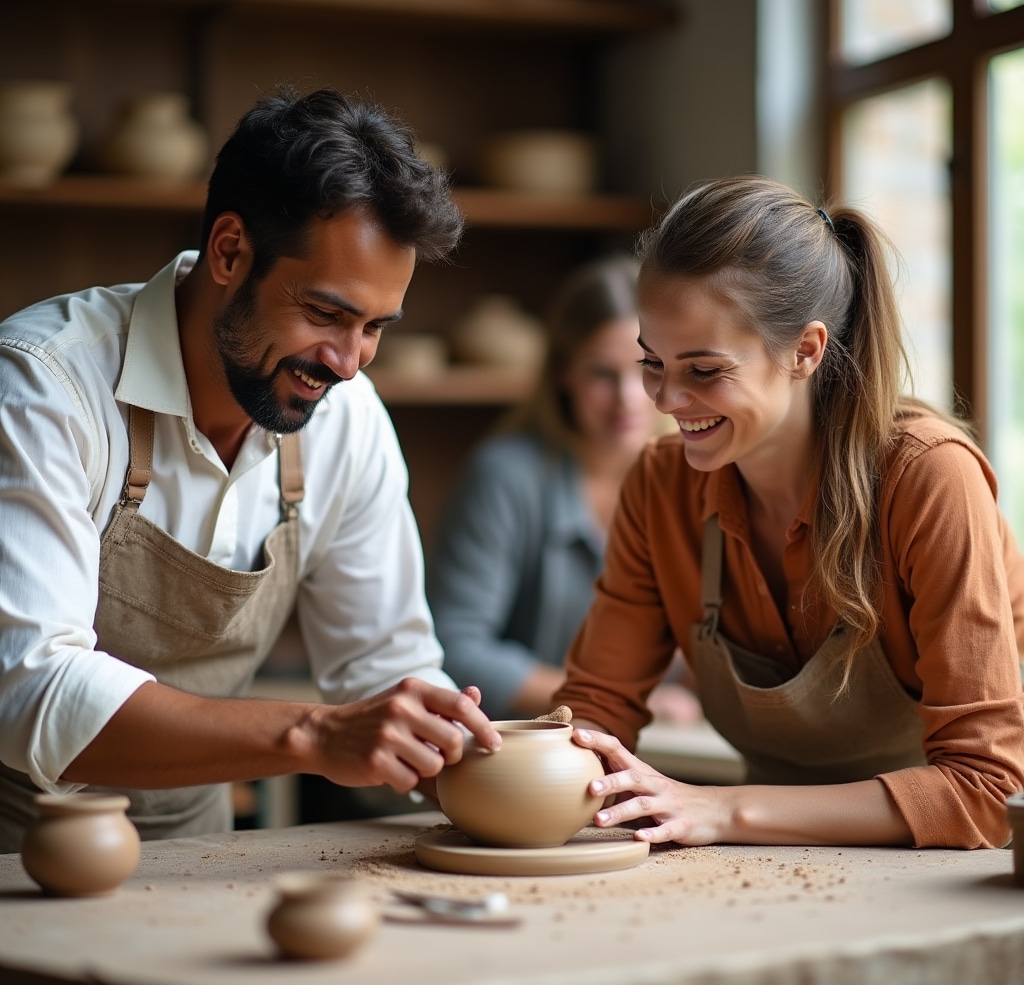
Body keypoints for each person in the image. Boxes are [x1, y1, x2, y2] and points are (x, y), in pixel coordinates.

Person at [0, 85, 501, 853]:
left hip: (190, 845)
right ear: (230, 251)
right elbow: (29, 691)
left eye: (374, 328)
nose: (347, 363)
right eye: (327, 313)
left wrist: (485, 756)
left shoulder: (348, 418)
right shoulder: (44, 388)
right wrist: (313, 734)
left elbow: (383, 666)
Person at [555, 175, 1024, 850]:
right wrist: (521, 760)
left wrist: (722, 811)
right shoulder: (660, 486)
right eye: (652, 362)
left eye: (705, 370)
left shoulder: (928, 478)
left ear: (805, 351)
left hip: (952, 867)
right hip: (771, 857)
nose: (663, 400)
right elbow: (596, 713)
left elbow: (984, 793)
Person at [427, 254, 699, 721]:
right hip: (516, 749)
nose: (628, 398)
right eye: (601, 373)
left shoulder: (698, 476)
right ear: (562, 373)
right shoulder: (505, 476)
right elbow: (455, 648)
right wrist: (616, 698)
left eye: (646, 366)